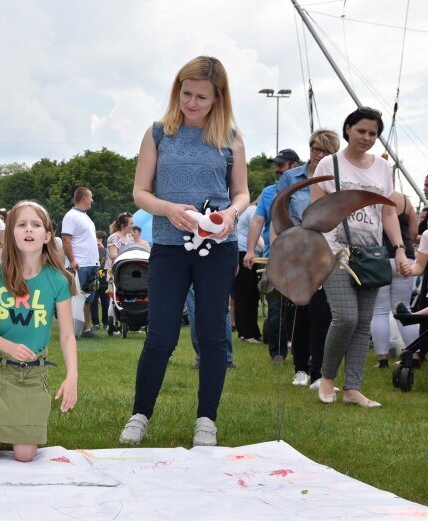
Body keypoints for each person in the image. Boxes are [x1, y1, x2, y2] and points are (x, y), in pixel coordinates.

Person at [119, 56, 249, 447]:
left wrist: (230, 213)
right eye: (186, 93)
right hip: (168, 248)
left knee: (212, 335)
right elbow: (140, 191)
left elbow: (242, 192)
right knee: (160, 335)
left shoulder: (232, 138)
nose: (192, 103)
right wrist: (169, 209)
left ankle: (206, 420)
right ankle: (140, 414)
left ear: (218, 98)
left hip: (219, 248)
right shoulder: (158, 133)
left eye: (201, 97)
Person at [0, 201, 78, 462]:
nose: (29, 229)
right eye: (22, 224)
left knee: (25, 455)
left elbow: (68, 335)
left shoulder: (58, 280)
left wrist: (72, 376)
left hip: (31, 376)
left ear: (47, 236)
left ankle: (15, 428)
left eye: (36, 225)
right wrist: (9, 346)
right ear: (11, 232)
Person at [312, 106, 407, 408]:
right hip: (335, 251)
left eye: (373, 134)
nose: (367, 138)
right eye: (362, 131)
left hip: (372, 253)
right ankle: (327, 378)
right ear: (348, 129)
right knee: (346, 317)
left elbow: (388, 212)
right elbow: (316, 212)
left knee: (364, 322)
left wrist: (400, 248)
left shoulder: (383, 169)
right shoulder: (329, 163)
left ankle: (353, 388)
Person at [272, 130, 341, 386]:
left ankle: (317, 371)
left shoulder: (337, 179)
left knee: (322, 313)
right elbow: (276, 212)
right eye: (315, 149)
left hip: (326, 252)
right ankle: (300, 368)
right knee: (300, 311)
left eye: (324, 151)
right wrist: (276, 249)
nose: (318, 155)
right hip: (297, 252)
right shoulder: (292, 177)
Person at [244, 148, 302, 364]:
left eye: (281, 165)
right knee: (276, 309)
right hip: (273, 259)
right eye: (276, 165)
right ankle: (277, 353)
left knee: (299, 309)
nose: (277, 169)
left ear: (294, 166)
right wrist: (251, 250)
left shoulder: (306, 190)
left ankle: (301, 352)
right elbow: (258, 221)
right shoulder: (268, 192)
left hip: (302, 259)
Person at [369, 191, 419, 368]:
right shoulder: (405, 200)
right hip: (405, 257)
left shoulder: (372, 196)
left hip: (378, 258)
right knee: (404, 308)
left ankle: (382, 359)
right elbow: (413, 232)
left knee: (379, 311)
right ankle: (414, 355)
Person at [61, 187, 99, 338]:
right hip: (79, 264)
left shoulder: (86, 217)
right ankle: (70, 330)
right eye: (90, 197)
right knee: (74, 298)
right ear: (84, 198)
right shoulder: (71, 216)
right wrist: (72, 260)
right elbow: (65, 239)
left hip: (91, 263)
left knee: (88, 298)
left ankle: (85, 329)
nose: (92, 200)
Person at [233, 201, 262, 343]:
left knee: (252, 295)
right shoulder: (253, 211)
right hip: (244, 254)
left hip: (249, 255)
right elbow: (257, 236)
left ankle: (253, 331)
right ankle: (245, 333)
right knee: (245, 295)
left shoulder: (252, 211)